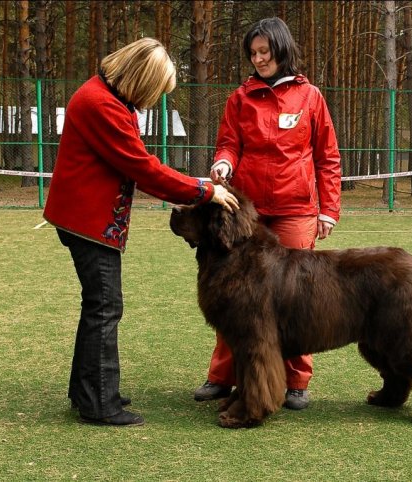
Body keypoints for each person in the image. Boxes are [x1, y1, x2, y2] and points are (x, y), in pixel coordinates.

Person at [44, 37, 239, 427]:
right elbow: (143, 168)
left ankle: (88, 390)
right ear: (140, 78)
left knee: (97, 306)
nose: (153, 102)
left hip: (86, 219)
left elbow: (138, 163)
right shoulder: (102, 105)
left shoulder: (106, 97)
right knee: (105, 306)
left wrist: (191, 185)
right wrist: (204, 190)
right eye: (154, 91)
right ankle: (99, 402)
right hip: (87, 224)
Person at [193, 17, 341, 410]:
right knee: (232, 295)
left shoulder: (310, 97)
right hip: (248, 216)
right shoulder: (240, 98)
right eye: (253, 53)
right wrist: (223, 164)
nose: (258, 59)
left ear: (281, 49)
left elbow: (328, 158)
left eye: (264, 51)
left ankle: (296, 381)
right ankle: (222, 377)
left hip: (297, 210)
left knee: (299, 297)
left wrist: (329, 210)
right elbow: (229, 144)